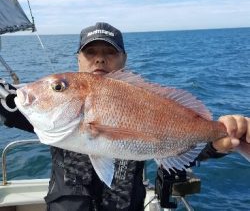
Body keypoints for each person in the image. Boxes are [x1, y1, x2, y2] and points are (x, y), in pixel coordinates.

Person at [0, 22, 249, 211]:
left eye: (110, 52)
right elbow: (8, 103)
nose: (99, 58)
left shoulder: (139, 97)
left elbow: (183, 142)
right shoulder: (46, 116)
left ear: (124, 60)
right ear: (77, 60)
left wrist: (218, 143)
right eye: (90, 52)